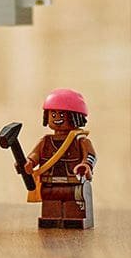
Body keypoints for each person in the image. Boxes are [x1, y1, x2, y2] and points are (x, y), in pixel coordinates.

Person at [25, 88, 96, 229]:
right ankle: (50, 219)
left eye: (62, 114)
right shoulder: (45, 141)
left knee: (73, 204)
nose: (57, 118)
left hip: (73, 183)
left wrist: (86, 165)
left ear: (76, 117)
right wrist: (29, 162)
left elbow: (90, 155)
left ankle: (73, 220)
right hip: (50, 184)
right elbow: (35, 155)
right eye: (53, 114)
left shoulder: (80, 140)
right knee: (51, 204)